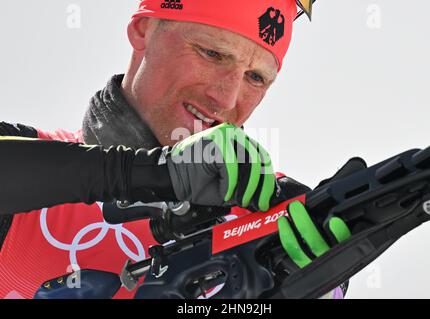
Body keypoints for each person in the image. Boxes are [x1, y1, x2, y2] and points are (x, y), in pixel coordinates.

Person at [0, 0, 350, 299]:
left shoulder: (279, 217)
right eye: (212, 53)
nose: (226, 99)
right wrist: (162, 173)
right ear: (144, 29)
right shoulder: (27, 176)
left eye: (255, 78)